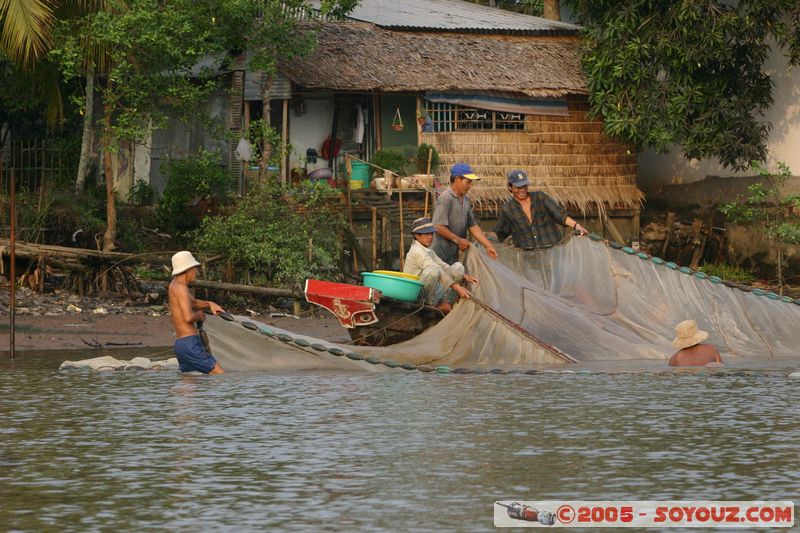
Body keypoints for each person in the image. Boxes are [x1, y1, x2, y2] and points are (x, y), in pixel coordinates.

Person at [492, 170, 588, 249]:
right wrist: (483, 239)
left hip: (553, 251)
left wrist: (576, 226)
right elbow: (500, 233)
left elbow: (560, 215)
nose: (522, 190)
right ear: (510, 187)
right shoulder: (507, 209)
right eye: (518, 187)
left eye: (524, 186)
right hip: (528, 258)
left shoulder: (540, 198)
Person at [404, 217, 480, 313]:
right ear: (416, 236)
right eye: (426, 234)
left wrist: (465, 276)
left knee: (458, 267)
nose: (430, 237)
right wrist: (458, 288)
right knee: (433, 270)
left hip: (429, 289)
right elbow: (437, 270)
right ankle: (429, 304)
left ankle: (446, 302)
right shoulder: (416, 251)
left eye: (431, 233)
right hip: (416, 294)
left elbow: (442, 265)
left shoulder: (428, 249)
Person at [168, 251, 225, 374]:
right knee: (220, 375)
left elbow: (193, 303)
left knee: (189, 386)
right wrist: (199, 316)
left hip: (180, 345)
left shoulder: (174, 285)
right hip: (190, 345)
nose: (196, 271)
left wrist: (209, 304)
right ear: (187, 269)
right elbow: (188, 317)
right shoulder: (181, 289)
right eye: (194, 268)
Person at [431, 162, 498, 265]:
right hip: (442, 255)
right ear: (457, 179)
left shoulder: (465, 199)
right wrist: (458, 240)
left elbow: (473, 226)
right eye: (468, 182)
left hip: (456, 255)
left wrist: (488, 246)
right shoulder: (445, 198)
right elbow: (438, 226)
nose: (470, 186)